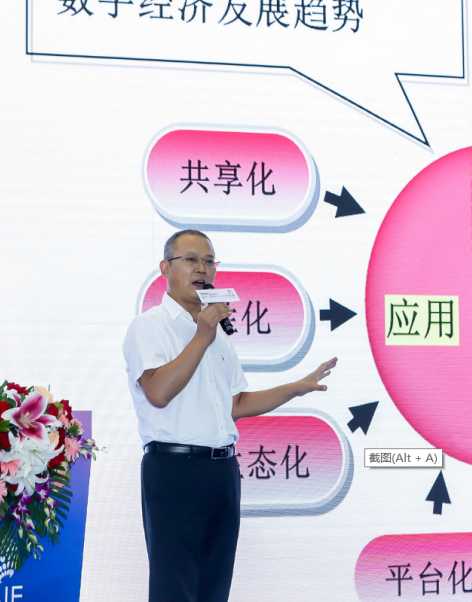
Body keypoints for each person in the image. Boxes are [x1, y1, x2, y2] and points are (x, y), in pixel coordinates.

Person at [123, 229, 337, 602]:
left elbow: (236, 404)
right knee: (175, 589)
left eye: (209, 262)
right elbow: (157, 392)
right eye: (191, 259)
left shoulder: (217, 334)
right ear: (165, 268)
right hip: (174, 472)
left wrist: (295, 387)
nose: (202, 269)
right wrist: (202, 335)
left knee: (214, 587)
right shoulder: (150, 326)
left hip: (222, 472)